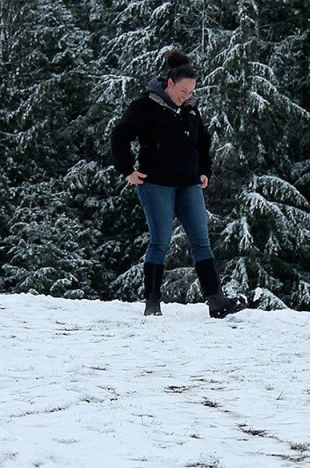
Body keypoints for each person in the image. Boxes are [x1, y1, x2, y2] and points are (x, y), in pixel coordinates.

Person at [110, 49, 246, 318]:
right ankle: (152, 302)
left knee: (201, 241)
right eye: (183, 91)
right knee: (160, 241)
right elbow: (120, 134)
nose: (187, 96)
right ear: (169, 84)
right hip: (155, 184)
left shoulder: (191, 111)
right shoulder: (146, 106)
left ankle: (216, 301)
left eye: (191, 92)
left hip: (188, 184)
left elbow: (203, 142)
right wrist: (127, 170)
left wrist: (204, 170)